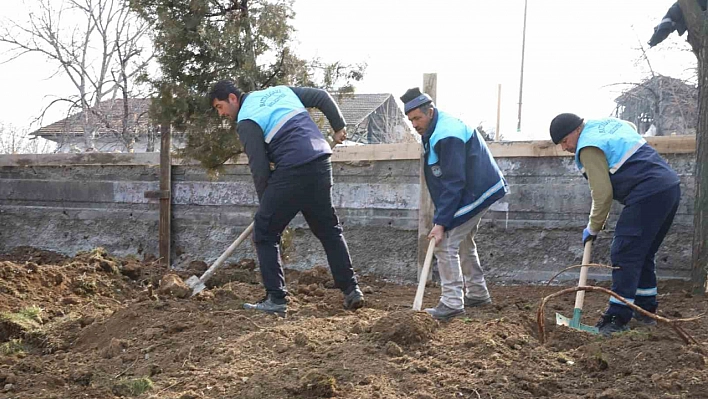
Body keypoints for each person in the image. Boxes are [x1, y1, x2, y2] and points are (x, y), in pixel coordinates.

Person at [208, 80, 364, 317]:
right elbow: (321, 96)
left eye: (220, 107)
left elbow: (259, 167)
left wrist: (266, 207)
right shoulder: (280, 91)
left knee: (264, 232)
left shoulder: (247, 119)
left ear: (232, 98)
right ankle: (352, 290)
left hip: (293, 168)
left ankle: (276, 299)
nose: (222, 114)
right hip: (320, 161)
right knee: (329, 229)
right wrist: (338, 125)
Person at [549, 113, 681, 336]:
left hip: (648, 190)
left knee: (624, 251)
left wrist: (593, 227)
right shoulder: (606, 125)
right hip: (669, 186)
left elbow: (602, 194)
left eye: (564, 141)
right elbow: (628, 126)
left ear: (576, 131)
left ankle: (616, 319)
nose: (564, 148)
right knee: (643, 252)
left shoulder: (587, 147)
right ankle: (645, 309)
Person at [401, 87, 508, 321]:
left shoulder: (447, 133)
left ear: (430, 112)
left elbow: (454, 182)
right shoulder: (435, 129)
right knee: (463, 241)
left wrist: (441, 222)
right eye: (410, 120)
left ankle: (451, 302)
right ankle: (478, 293)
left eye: (417, 118)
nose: (414, 124)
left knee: (445, 242)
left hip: (476, 190)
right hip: (476, 188)